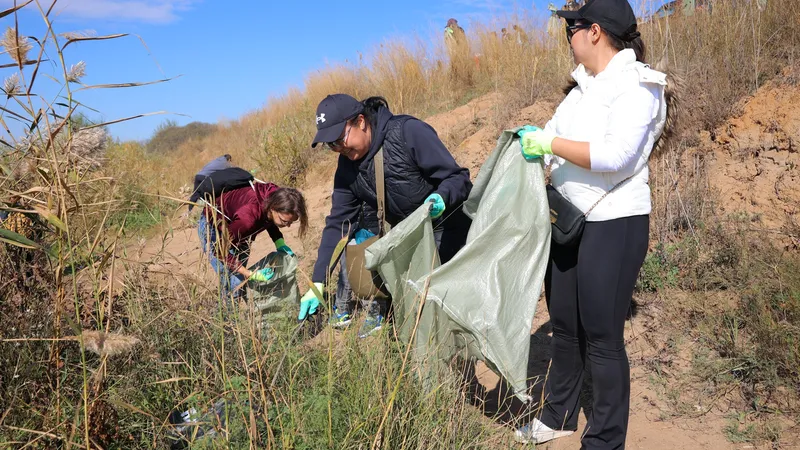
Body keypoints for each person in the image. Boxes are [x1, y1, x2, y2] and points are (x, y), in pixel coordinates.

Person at [513, 0, 672, 448]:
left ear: (596, 31)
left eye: (573, 29)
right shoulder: (580, 89)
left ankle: (605, 438)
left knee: (602, 335)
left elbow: (615, 155)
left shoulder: (638, 85)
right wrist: (534, 145)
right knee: (565, 324)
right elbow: (550, 139)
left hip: (614, 223)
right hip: (569, 221)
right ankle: (559, 415)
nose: (569, 38)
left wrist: (550, 143)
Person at [304, 94, 472, 338]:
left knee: (459, 314)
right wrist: (318, 281)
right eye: (332, 145)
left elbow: (458, 178)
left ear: (361, 121)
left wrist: (441, 198)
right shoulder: (347, 168)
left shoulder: (407, 132)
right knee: (422, 327)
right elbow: (338, 223)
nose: (339, 149)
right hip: (412, 246)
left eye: (340, 139)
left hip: (450, 234)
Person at [198, 181, 308, 304]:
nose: (288, 226)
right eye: (285, 221)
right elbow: (219, 250)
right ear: (273, 208)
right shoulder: (248, 219)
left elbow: (269, 219)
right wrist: (249, 273)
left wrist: (279, 242)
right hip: (214, 229)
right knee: (234, 283)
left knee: (239, 280)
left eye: (291, 222)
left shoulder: (277, 196)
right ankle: (227, 315)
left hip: (240, 231)